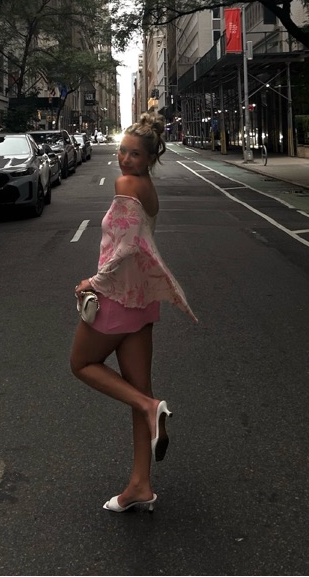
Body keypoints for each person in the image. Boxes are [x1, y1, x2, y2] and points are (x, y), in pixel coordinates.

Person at [70, 112, 197, 514]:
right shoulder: (149, 189)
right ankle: (140, 484)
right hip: (142, 302)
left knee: (81, 364)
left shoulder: (126, 185)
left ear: (151, 157)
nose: (125, 159)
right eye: (123, 151)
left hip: (117, 296)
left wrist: (93, 282)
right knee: (138, 389)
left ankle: (149, 408)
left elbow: (124, 247)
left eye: (135, 154)